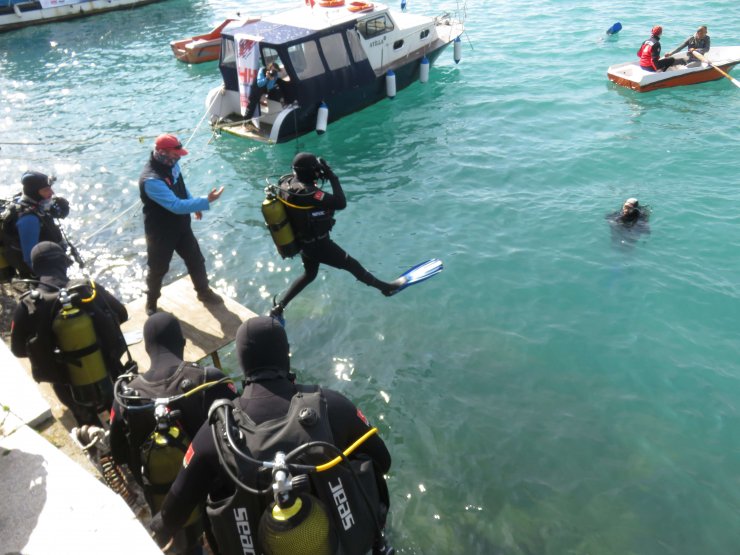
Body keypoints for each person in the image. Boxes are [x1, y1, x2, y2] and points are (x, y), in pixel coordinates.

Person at [149, 316, 394, 555]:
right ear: (285, 353)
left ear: (242, 361)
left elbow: (172, 515)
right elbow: (382, 461)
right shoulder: (332, 404)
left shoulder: (213, 433)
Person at [109, 312, 237, 555]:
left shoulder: (125, 398)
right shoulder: (209, 380)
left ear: (147, 349)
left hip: (164, 500)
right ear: (182, 342)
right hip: (216, 499)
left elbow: (118, 454)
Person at [10, 242, 129, 426]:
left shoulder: (28, 306)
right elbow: (121, 314)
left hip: (66, 385)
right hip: (108, 371)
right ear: (64, 262)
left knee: (88, 426)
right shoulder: (87, 289)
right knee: (122, 413)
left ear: (35, 267)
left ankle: (95, 438)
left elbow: (18, 350)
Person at [270, 153, 400, 320]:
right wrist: (332, 176)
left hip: (303, 242)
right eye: (316, 168)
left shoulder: (286, 184)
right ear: (310, 171)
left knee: (310, 274)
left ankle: (279, 307)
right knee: (351, 264)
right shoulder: (308, 193)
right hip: (318, 245)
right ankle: (385, 288)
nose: (319, 171)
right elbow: (340, 203)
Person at [140, 134, 225, 316]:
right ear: (162, 153)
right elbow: (175, 206)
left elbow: (181, 186)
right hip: (160, 233)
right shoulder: (151, 180)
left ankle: (203, 292)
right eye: (175, 154)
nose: (178, 158)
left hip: (181, 227)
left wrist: (194, 202)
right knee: (158, 268)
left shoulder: (172, 164)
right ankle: (152, 300)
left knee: (196, 260)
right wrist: (204, 201)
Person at [0, 170, 70, 278]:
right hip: (40, 274)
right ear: (34, 193)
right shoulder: (29, 220)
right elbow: (30, 259)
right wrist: (51, 279)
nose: (52, 192)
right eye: (46, 190)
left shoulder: (27, 201)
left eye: (50, 188)